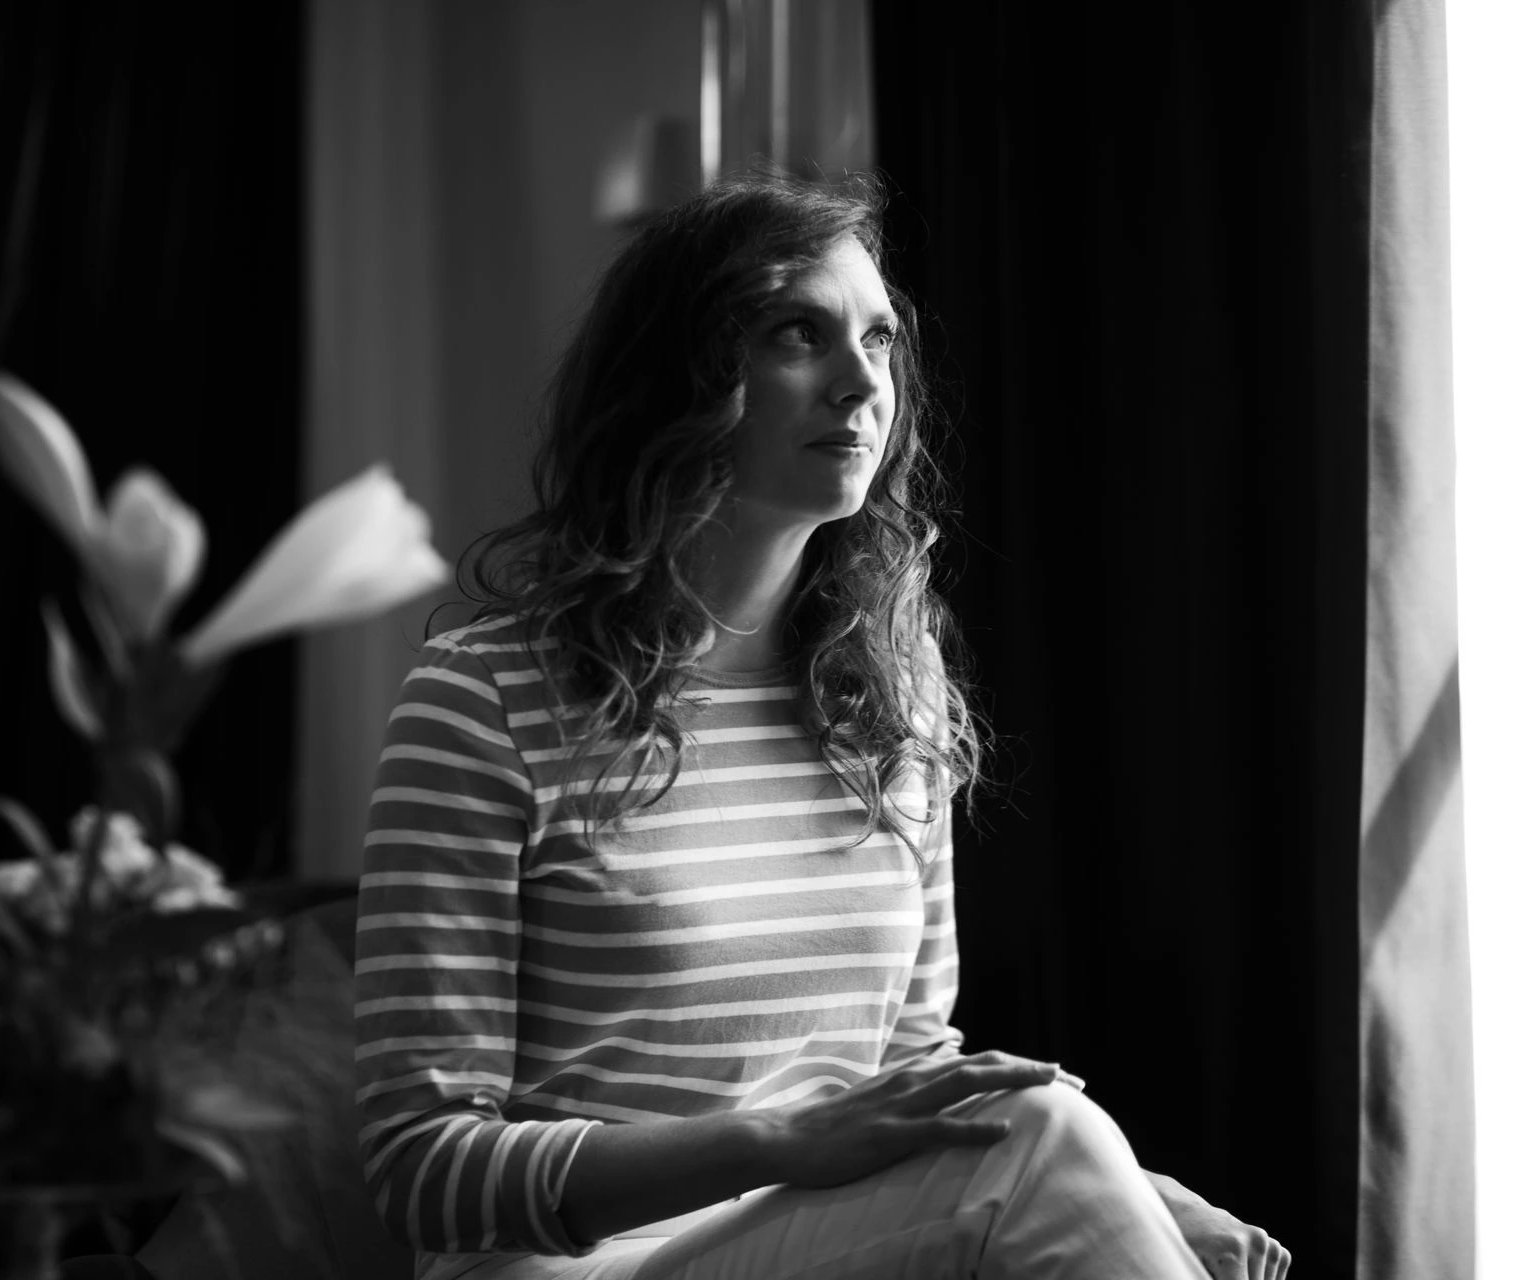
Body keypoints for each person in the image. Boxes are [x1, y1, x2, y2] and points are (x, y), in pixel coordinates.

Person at [352, 170, 1289, 1280]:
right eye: (800, 333)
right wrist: (770, 1142)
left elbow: (910, 1066)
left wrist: (1132, 1193)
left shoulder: (890, 684)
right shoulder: (483, 701)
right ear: (677, 377)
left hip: (829, 1238)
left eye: (879, 338)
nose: (862, 382)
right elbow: (419, 1164)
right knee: (1043, 1132)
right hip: (568, 1265)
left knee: (1054, 1137)